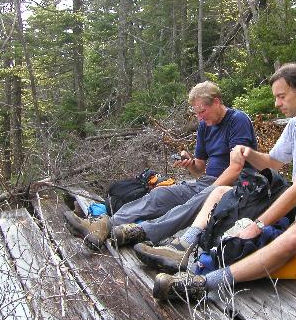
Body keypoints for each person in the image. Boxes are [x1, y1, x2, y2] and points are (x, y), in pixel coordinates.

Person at [137, 63, 296, 301]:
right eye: (276, 97)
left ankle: (203, 283)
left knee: (295, 237)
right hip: (292, 201)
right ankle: (182, 247)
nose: (277, 103)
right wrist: (248, 153)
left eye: (281, 96)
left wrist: (258, 225)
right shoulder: (295, 124)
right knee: (219, 192)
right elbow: (274, 162)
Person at [64, 81, 258, 250]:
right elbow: (199, 169)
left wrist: (210, 191)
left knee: (193, 203)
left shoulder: (237, 120)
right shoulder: (204, 127)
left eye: (202, 111)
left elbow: (236, 168)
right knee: (160, 194)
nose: (200, 118)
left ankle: (138, 232)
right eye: (196, 113)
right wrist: (189, 164)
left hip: (235, 187)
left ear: (216, 102)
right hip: (207, 182)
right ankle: (103, 226)